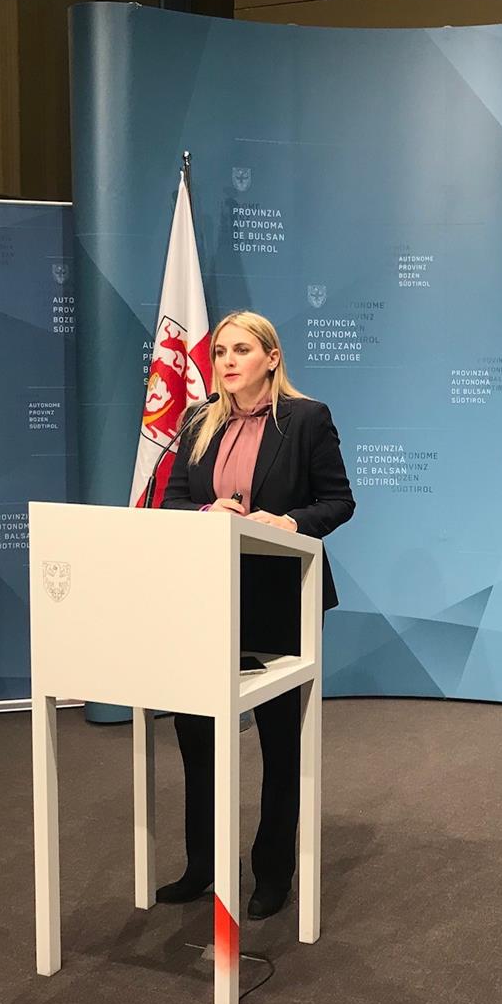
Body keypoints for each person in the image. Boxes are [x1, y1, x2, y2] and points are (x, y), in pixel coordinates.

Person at [157, 309, 355, 919]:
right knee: (195, 732)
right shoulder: (199, 419)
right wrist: (205, 513)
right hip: (208, 598)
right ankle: (203, 865)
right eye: (220, 352)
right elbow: (173, 499)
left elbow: (338, 501)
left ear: (271, 357)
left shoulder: (306, 418)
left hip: (280, 598)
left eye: (241, 350)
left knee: (277, 738)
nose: (227, 361)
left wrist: (288, 522)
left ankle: (272, 872)